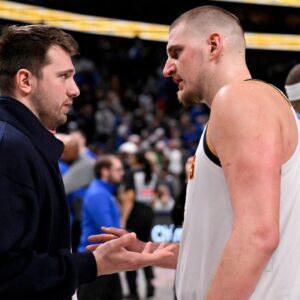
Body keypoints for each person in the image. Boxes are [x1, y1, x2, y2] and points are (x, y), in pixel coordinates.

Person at [90, 5, 300, 300]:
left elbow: (258, 236)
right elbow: (233, 241)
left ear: (213, 45)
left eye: (175, 52)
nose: (166, 68)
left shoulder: (240, 99)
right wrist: (157, 252)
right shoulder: (249, 104)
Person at [0, 24, 174, 300]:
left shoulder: (22, 144)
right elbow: (6, 274)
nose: (75, 90)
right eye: (64, 76)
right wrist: (92, 264)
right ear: (25, 81)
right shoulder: (9, 148)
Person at [77, 155, 124, 300]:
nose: (122, 173)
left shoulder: (105, 192)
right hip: (95, 260)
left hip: (105, 257)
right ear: (105, 171)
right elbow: (109, 228)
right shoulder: (98, 194)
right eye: (118, 169)